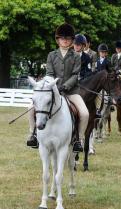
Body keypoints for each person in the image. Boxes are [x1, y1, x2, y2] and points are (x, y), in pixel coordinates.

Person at [27, 23, 89, 152]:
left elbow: (75, 75)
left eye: (68, 38)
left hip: (71, 92)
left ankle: (79, 140)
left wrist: (65, 86)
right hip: (52, 91)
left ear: (72, 40)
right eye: (62, 38)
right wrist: (52, 87)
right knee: (30, 109)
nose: (65, 40)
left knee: (85, 113)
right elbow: (49, 74)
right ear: (58, 40)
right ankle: (33, 135)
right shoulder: (51, 55)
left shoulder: (76, 56)